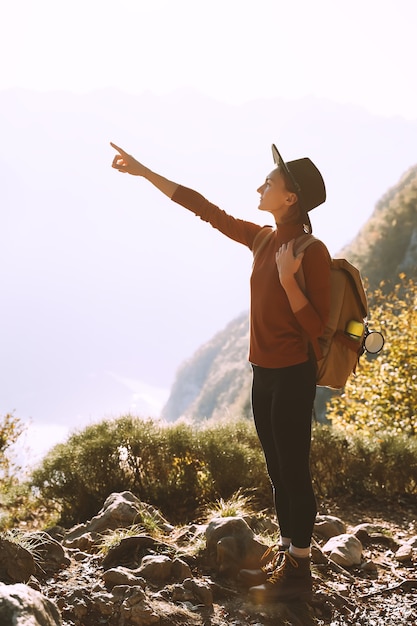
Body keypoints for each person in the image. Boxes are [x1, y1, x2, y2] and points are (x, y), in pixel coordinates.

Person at [110, 141, 331, 603]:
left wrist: (290, 281)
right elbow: (204, 209)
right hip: (262, 372)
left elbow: (320, 329)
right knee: (276, 469)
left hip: (293, 373)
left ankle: (300, 574)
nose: (260, 185)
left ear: (290, 198)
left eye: (269, 181)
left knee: (294, 470)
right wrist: (145, 170)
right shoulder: (263, 238)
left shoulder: (312, 251)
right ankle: (289, 555)